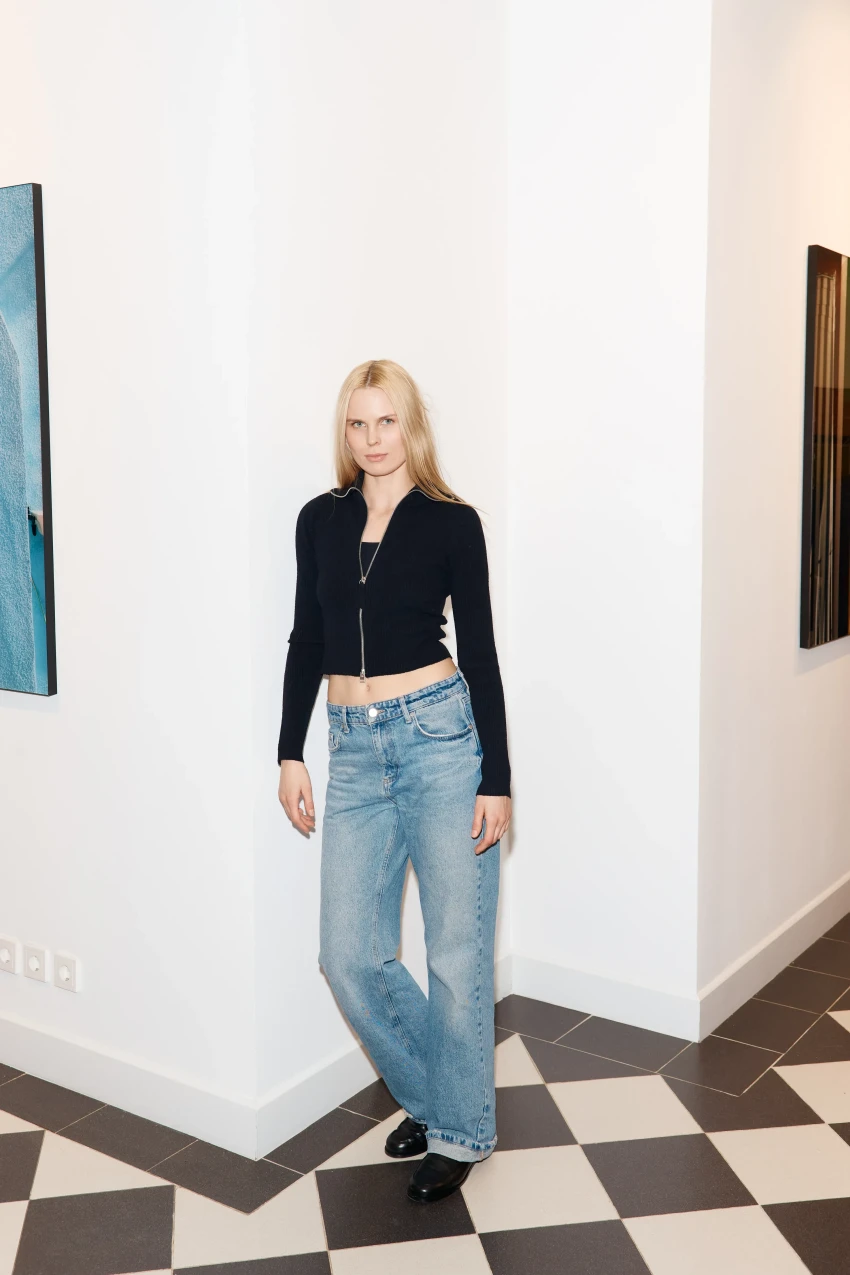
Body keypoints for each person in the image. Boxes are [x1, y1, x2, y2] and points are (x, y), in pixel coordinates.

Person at [277, 358, 511, 1204]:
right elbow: (307, 637)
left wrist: (498, 777)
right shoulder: (320, 519)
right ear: (344, 431)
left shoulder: (452, 522)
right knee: (347, 954)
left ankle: (461, 1130)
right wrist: (290, 751)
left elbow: (479, 649)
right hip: (350, 747)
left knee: (455, 952)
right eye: (357, 423)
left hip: (440, 739)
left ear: (411, 426)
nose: (372, 439)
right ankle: (439, 1097)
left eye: (386, 422)